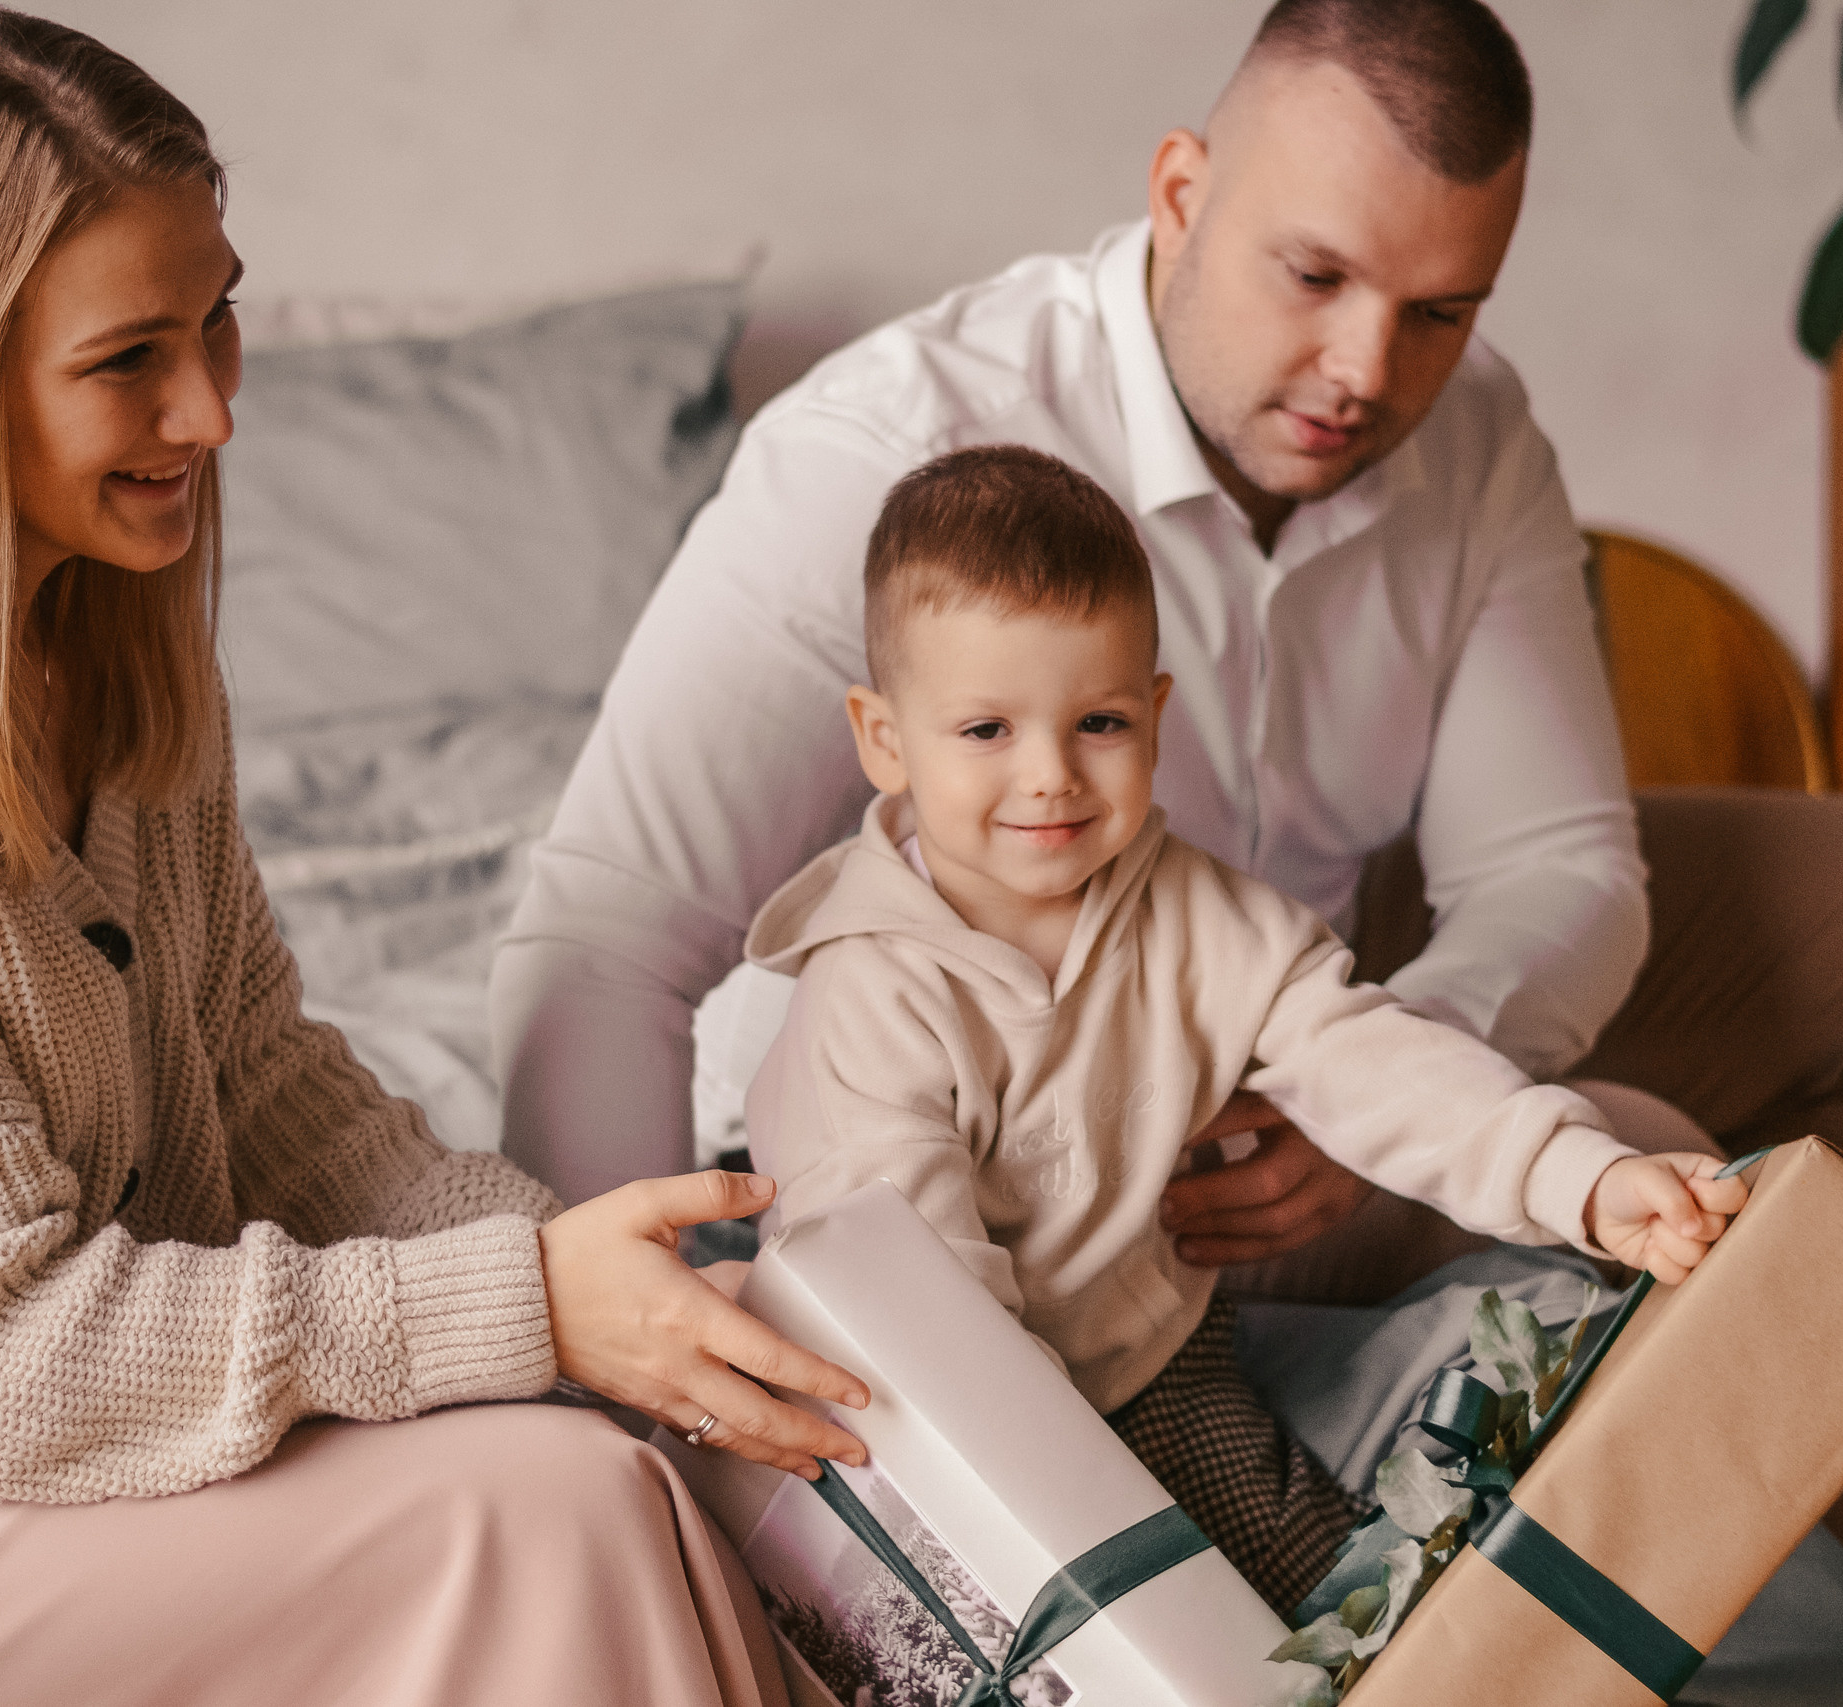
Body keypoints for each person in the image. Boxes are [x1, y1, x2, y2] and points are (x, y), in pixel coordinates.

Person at [489, 4, 1843, 1703]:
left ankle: (1800, 1473)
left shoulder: (1469, 445)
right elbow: (605, 939)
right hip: (968, 1156)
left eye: (1440, 310)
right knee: (1657, 1166)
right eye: (1313, 278)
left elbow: (1556, 873)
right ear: (1180, 191)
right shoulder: (884, 457)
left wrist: (1361, 1110)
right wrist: (647, 1400)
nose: (1367, 373)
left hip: (1277, 1020)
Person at [0, 10, 868, 1704]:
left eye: (218, 320)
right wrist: (514, 1307)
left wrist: (614, 1286)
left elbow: (264, 1090)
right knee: (539, 1510)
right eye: (127, 362)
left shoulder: (117, 677)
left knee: (617, 1457)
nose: (212, 413)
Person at [739, 444, 1747, 1615]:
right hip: (936, 1429)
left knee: (1329, 1602)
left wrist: (1583, 1177)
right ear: (883, 739)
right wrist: (1066, 1515)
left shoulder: (1195, 913)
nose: (1051, 777)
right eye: (985, 732)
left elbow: (1381, 1066)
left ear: (1156, 716)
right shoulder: (874, 996)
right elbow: (926, 1320)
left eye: (1098, 722)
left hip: (1152, 1365)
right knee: (1099, 1640)